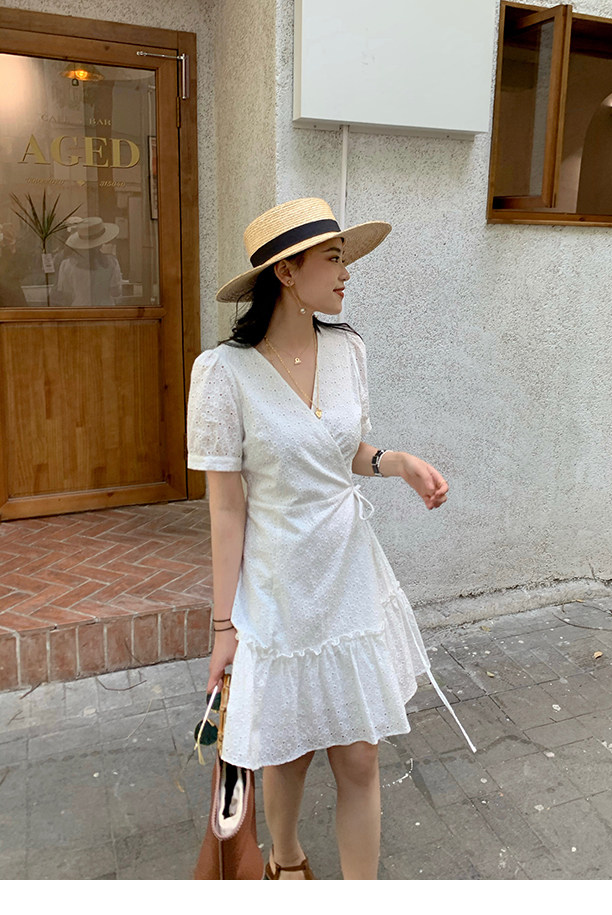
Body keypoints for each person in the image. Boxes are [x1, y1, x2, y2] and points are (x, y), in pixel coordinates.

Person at [186, 198, 474, 881]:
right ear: (287, 272)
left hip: (347, 572)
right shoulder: (224, 374)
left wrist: (396, 463)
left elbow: (339, 448)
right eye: (334, 259)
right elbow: (226, 509)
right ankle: (286, 861)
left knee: (360, 755)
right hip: (278, 584)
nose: (347, 273)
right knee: (289, 751)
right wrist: (224, 626)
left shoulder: (348, 349)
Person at [54, 217, 123, 306]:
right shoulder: (111, 262)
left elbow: (67, 295)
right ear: (101, 243)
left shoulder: (67, 265)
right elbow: (116, 292)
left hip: (81, 309)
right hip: (105, 309)